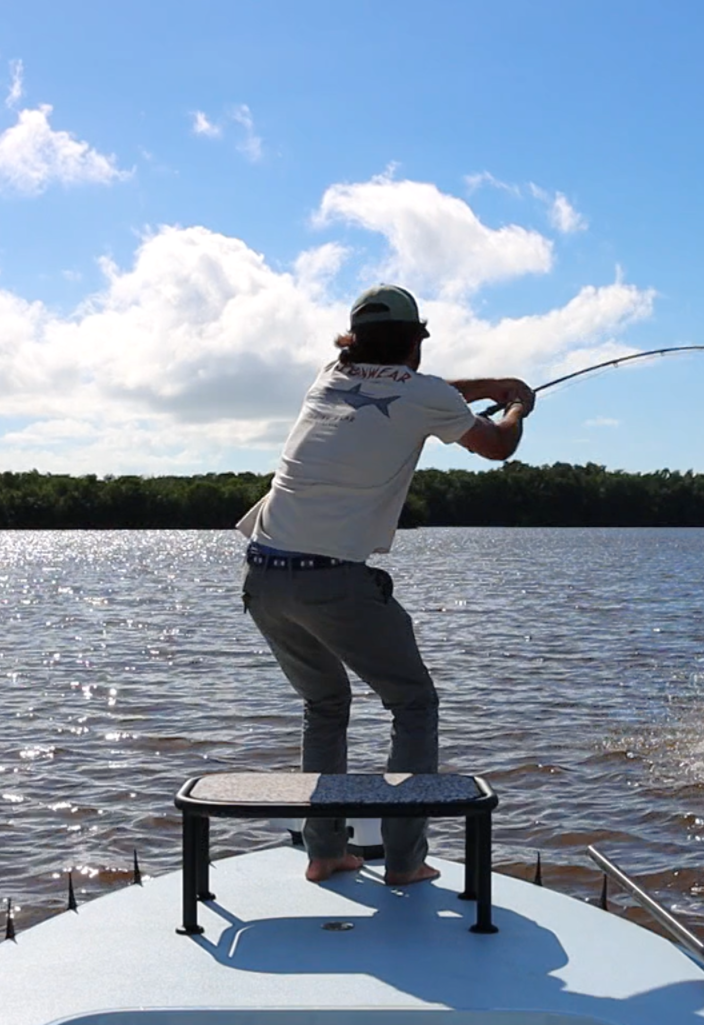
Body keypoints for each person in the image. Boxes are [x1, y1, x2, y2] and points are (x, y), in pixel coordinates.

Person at [236, 284, 533, 886]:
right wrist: (515, 405)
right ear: (416, 342)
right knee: (413, 703)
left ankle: (324, 853)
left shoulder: (327, 378)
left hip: (264, 574)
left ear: (354, 339)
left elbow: (410, 388)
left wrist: (489, 386)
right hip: (333, 581)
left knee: (324, 706)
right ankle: (404, 859)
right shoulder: (426, 395)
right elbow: (496, 446)